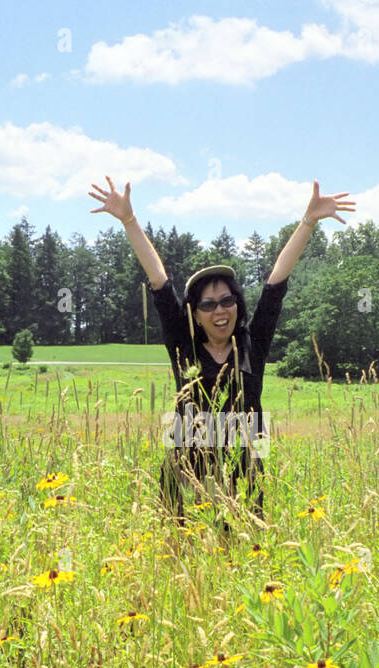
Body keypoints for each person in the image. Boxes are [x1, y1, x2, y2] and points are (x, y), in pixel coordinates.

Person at [88, 175, 354, 528]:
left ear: (237, 305)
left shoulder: (251, 343)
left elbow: (275, 285)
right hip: (184, 472)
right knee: (184, 563)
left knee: (243, 558)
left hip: (244, 472)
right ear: (194, 314)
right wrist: (129, 220)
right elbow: (159, 282)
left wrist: (307, 222)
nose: (220, 311)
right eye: (208, 304)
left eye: (227, 301)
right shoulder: (184, 347)